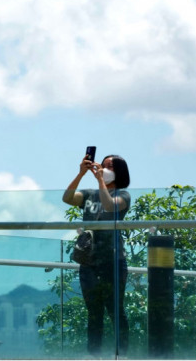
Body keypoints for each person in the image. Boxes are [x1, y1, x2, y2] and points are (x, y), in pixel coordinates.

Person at [62, 153, 131, 357]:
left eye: (109, 167)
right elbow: (67, 198)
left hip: (113, 260)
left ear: (119, 172)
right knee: (94, 312)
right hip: (89, 261)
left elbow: (110, 205)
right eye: (103, 165)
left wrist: (101, 179)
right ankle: (94, 356)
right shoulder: (89, 194)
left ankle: (122, 355)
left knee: (115, 310)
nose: (104, 169)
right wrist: (81, 173)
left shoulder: (123, 195)